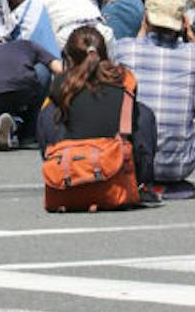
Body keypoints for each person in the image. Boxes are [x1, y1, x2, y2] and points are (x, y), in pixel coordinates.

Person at [38, 25, 158, 200]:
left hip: (71, 168)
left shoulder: (60, 85)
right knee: (143, 113)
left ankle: (57, 169)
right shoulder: (124, 79)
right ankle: (141, 183)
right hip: (115, 171)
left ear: (69, 58)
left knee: (48, 112)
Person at [115, 0, 195, 199]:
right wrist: (191, 37)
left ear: (146, 18)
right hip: (179, 167)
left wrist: (142, 30)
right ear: (182, 22)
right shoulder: (193, 55)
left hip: (133, 162)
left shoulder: (124, 49)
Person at [0, 33, 61, 150]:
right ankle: (28, 134)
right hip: (21, 87)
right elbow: (59, 69)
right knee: (43, 71)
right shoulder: (30, 45)